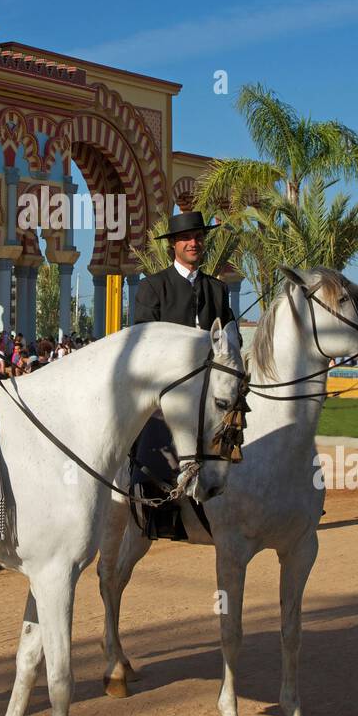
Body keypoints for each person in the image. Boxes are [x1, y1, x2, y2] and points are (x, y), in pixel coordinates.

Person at [131, 210, 240, 540]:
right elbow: (144, 340)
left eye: (198, 238)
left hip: (211, 387)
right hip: (168, 388)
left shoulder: (218, 290)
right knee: (154, 433)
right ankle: (159, 511)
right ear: (174, 246)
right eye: (186, 239)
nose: (194, 243)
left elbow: (232, 337)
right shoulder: (153, 287)